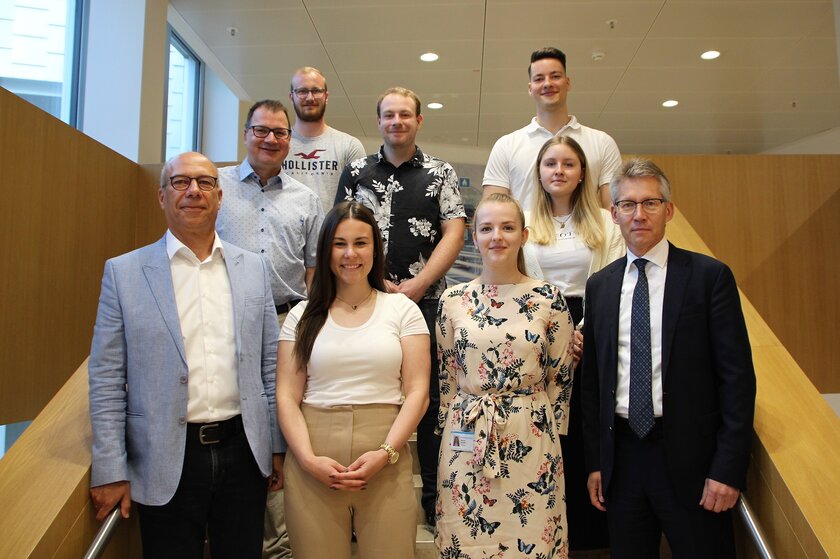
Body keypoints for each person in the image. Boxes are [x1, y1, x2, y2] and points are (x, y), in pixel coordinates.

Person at [88, 152, 284, 559]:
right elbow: (106, 378)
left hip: (244, 453)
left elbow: (270, 367)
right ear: (162, 197)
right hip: (163, 458)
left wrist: (275, 446)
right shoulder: (123, 273)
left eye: (205, 183)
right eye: (180, 182)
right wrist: (110, 468)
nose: (193, 191)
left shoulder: (254, 269)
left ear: (219, 197)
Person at [581, 159, 757, 558]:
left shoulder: (709, 277)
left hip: (694, 465)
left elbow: (737, 380)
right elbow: (594, 384)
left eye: (650, 203)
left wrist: (727, 470)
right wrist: (597, 463)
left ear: (669, 210)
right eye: (627, 205)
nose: (638, 214)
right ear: (614, 214)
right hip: (622, 462)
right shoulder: (601, 286)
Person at [336, 86, 466, 527]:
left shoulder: (441, 172)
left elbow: (455, 232)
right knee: (363, 394)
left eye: (405, 115)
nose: (397, 122)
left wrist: (417, 284)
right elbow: (343, 232)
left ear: (418, 121)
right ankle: (354, 500)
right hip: (360, 301)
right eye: (389, 115)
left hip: (424, 304)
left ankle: (432, 498)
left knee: (425, 402)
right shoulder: (355, 171)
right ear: (378, 121)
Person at [276, 201, 430, 559]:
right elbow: (286, 396)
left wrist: (386, 453)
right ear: (325, 249)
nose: (350, 254)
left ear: (375, 248)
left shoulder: (401, 309)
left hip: (385, 456)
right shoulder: (303, 314)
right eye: (339, 243)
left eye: (361, 243)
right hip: (313, 456)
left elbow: (418, 392)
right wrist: (308, 459)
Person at [435, 193, 575, 559]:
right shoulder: (452, 299)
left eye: (507, 227)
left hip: (531, 436)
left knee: (533, 544)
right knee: (465, 539)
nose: (497, 236)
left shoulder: (549, 299)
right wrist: (449, 430)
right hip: (467, 435)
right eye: (487, 228)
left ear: (524, 236)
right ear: (474, 236)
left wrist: (552, 436)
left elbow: (560, 376)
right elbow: (448, 374)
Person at [216, 99, 323, 558]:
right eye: (262, 130)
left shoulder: (306, 198)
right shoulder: (216, 186)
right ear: (246, 133)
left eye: (280, 132)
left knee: (281, 420)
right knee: (235, 418)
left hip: (285, 321)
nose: (271, 139)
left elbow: (314, 268)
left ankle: (279, 544)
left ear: (289, 141)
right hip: (226, 320)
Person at [523, 135, 624, 550]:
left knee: (589, 429)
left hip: (594, 334)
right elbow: (521, 283)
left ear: (583, 172)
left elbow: (616, 278)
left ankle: (593, 535)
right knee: (553, 435)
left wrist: (581, 332)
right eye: (550, 164)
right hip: (541, 338)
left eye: (568, 164)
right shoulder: (525, 220)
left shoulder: (605, 220)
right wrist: (556, 336)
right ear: (540, 172)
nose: (559, 171)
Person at [482, 47, 622, 211]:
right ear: (530, 88)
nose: (547, 83)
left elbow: (614, 213)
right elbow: (492, 214)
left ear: (567, 82)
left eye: (555, 76)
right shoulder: (506, 146)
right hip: (528, 236)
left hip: (587, 236)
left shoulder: (602, 143)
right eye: (539, 79)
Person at [283, 67, 366, 212]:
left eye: (316, 91)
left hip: (332, 234)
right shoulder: (277, 145)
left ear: (326, 96)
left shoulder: (349, 146)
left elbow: (362, 203)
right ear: (291, 97)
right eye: (302, 91)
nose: (310, 97)